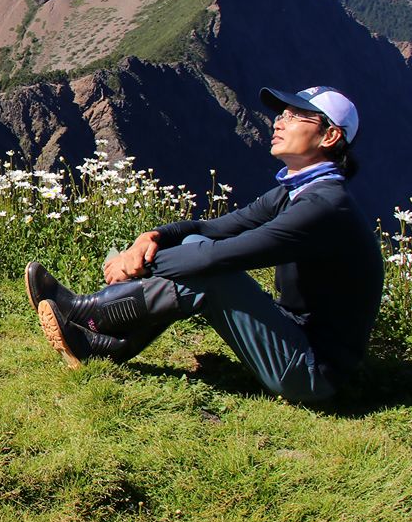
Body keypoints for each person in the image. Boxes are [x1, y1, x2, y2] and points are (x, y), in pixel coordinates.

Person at [25, 85, 383, 404]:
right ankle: (101, 344)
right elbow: (211, 229)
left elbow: (220, 255)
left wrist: (138, 264)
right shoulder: (295, 193)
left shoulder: (323, 207)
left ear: (330, 136)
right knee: (197, 248)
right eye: (282, 114)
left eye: (294, 117)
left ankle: (83, 312)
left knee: (211, 270)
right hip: (292, 334)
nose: (278, 122)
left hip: (311, 371)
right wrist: (149, 239)